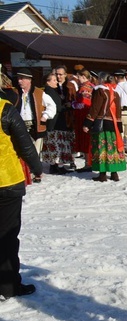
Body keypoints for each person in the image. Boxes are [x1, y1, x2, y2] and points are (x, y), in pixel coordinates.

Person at [0, 95, 43, 300]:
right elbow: (24, 144)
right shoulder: (5, 109)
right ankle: (8, 286)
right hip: (5, 181)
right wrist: (36, 167)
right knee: (7, 235)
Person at [83, 72, 126, 182]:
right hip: (114, 125)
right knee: (112, 148)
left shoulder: (100, 90)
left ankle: (102, 174)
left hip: (101, 124)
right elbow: (118, 111)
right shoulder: (115, 92)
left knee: (101, 148)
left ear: (101, 79)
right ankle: (114, 173)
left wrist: (88, 123)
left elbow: (95, 108)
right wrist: (119, 126)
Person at [15, 71, 56, 155]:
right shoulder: (15, 93)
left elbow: (52, 106)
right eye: (18, 78)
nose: (19, 81)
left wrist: (45, 116)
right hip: (19, 126)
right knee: (21, 152)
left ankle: (34, 168)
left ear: (29, 80)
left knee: (35, 154)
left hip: (35, 126)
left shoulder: (39, 93)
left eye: (22, 78)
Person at [72, 69, 94, 172]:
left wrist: (72, 104)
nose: (78, 79)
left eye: (79, 77)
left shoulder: (84, 88)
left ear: (83, 77)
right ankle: (89, 162)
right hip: (88, 116)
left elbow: (84, 104)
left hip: (84, 116)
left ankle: (88, 163)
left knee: (86, 140)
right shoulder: (92, 86)